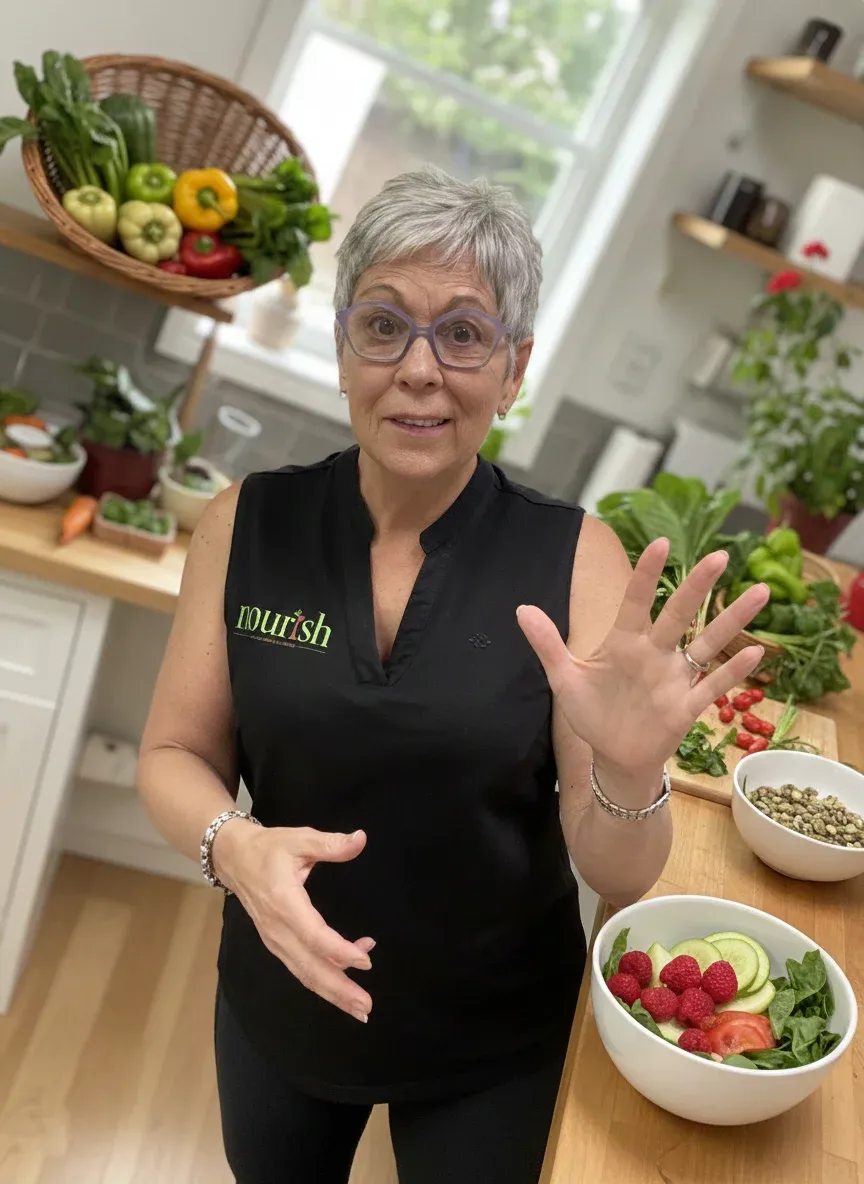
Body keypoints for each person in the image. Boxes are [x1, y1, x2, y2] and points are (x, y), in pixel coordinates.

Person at [138, 166, 768, 1184]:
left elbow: (616, 869)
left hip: (494, 1038)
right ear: (344, 346)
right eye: (383, 324)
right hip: (282, 993)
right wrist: (233, 847)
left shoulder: (576, 559)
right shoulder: (245, 522)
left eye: (465, 333)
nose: (419, 368)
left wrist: (630, 771)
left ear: (513, 367)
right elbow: (171, 752)